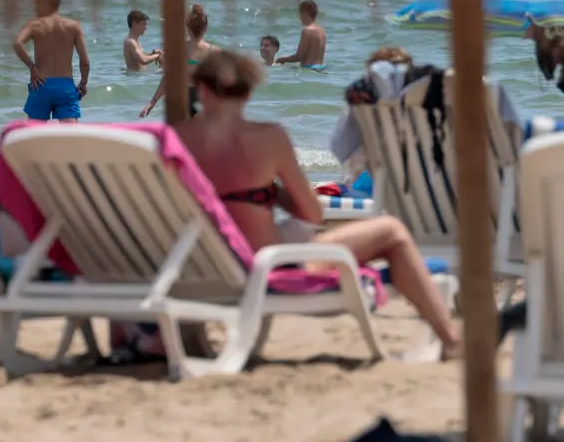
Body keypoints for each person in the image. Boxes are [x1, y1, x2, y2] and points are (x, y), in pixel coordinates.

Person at [176, 50, 461, 358]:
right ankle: (452, 340)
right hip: (263, 267)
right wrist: (272, 192)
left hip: (196, 267)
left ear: (202, 89)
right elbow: (311, 213)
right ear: (247, 93)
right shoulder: (269, 138)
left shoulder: (175, 139)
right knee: (391, 231)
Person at [13, 0, 89, 123]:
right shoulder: (73, 26)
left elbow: (17, 43)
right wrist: (83, 83)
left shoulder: (34, 25)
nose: (34, 7)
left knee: (35, 137)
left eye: (36, 3)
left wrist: (32, 67)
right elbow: (85, 61)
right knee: (71, 137)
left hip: (41, 84)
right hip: (65, 87)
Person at [139, 4, 219, 118]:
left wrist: (152, 103)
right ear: (205, 27)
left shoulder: (178, 49)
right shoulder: (214, 52)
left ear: (187, 28)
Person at [273, 0, 327, 71]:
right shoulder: (321, 30)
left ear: (304, 13)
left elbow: (300, 57)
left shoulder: (307, 30)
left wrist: (282, 59)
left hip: (309, 69)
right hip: (320, 68)